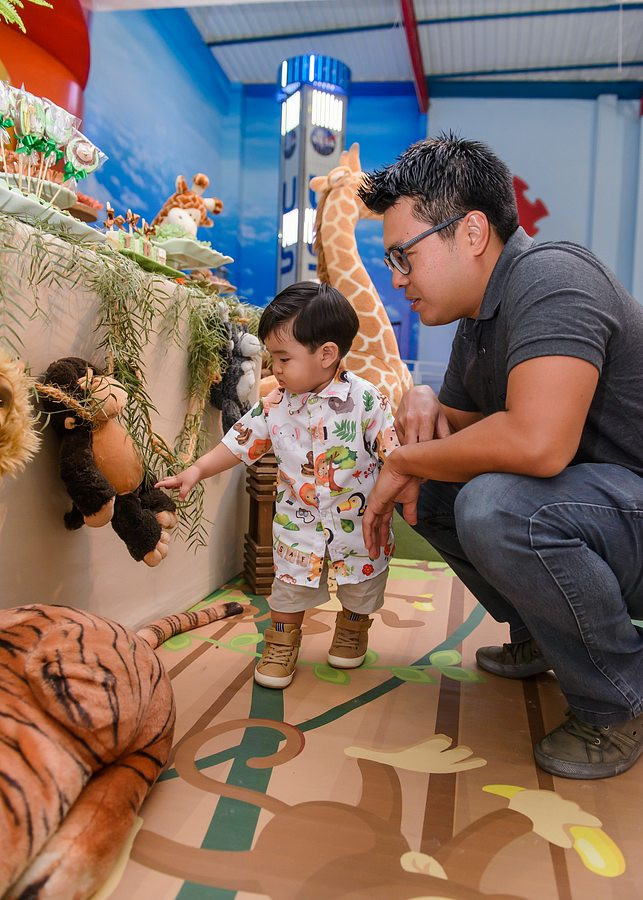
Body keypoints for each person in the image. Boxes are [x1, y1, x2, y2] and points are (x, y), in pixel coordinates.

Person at [358, 133, 643, 780]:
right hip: (603, 511)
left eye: (403, 256)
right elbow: (461, 428)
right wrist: (423, 400)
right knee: (437, 488)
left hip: (628, 505)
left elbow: (536, 444)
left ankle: (616, 698)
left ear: (472, 231)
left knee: (497, 506)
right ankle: (547, 635)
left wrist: (404, 461)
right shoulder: (478, 315)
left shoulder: (552, 277)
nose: (397, 279)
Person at [156, 281, 399, 689]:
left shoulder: (367, 400)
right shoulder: (275, 404)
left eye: (284, 358)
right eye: (273, 357)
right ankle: (282, 643)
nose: (276, 369)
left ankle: (353, 627)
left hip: (358, 525)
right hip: (297, 527)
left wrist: (399, 487)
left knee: (362, 584)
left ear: (327, 354)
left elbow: (393, 453)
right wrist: (197, 469)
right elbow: (239, 442)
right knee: (288, 590)